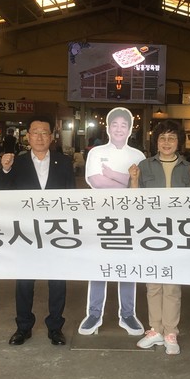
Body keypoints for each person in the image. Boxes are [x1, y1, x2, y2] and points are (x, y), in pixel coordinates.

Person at [1, 115, 75, 346]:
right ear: (28, 136)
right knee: (24, 281)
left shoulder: (64, 162)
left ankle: (55, 327)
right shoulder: (17, 162)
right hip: (26, 231)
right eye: (35, 132)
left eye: (45, 132)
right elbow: (0, 193)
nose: (40, 137)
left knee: (57, 280)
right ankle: (23, 327)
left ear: (52, 137)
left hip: (56, 229)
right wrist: (4, 170)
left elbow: (72, 197)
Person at [128, 120, 190, 355]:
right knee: (152, 284)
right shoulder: (144, 166)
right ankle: (155, 329)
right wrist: (134, 180)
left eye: (171, 138)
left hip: (177, 232)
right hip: (150, 231)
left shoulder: (188, 167)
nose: (167, 142)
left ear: (179, 142)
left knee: (171, 285)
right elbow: (133, 201)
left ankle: (170, 332)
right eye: (162, 138)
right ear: (156, 142)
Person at [79, 107, 146, 336]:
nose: (119, 129)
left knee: (127, 266)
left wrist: (112, 174)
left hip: (129, 219)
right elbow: (96, 181)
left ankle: (128, 314)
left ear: (130, 129)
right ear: (108, 128)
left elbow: (140, 185)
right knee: (99, 264)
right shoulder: (96, 152)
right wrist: (127, 180)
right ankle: (94, 313)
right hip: (101, 217)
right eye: (114, 124)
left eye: (123, 125)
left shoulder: (138, 156)